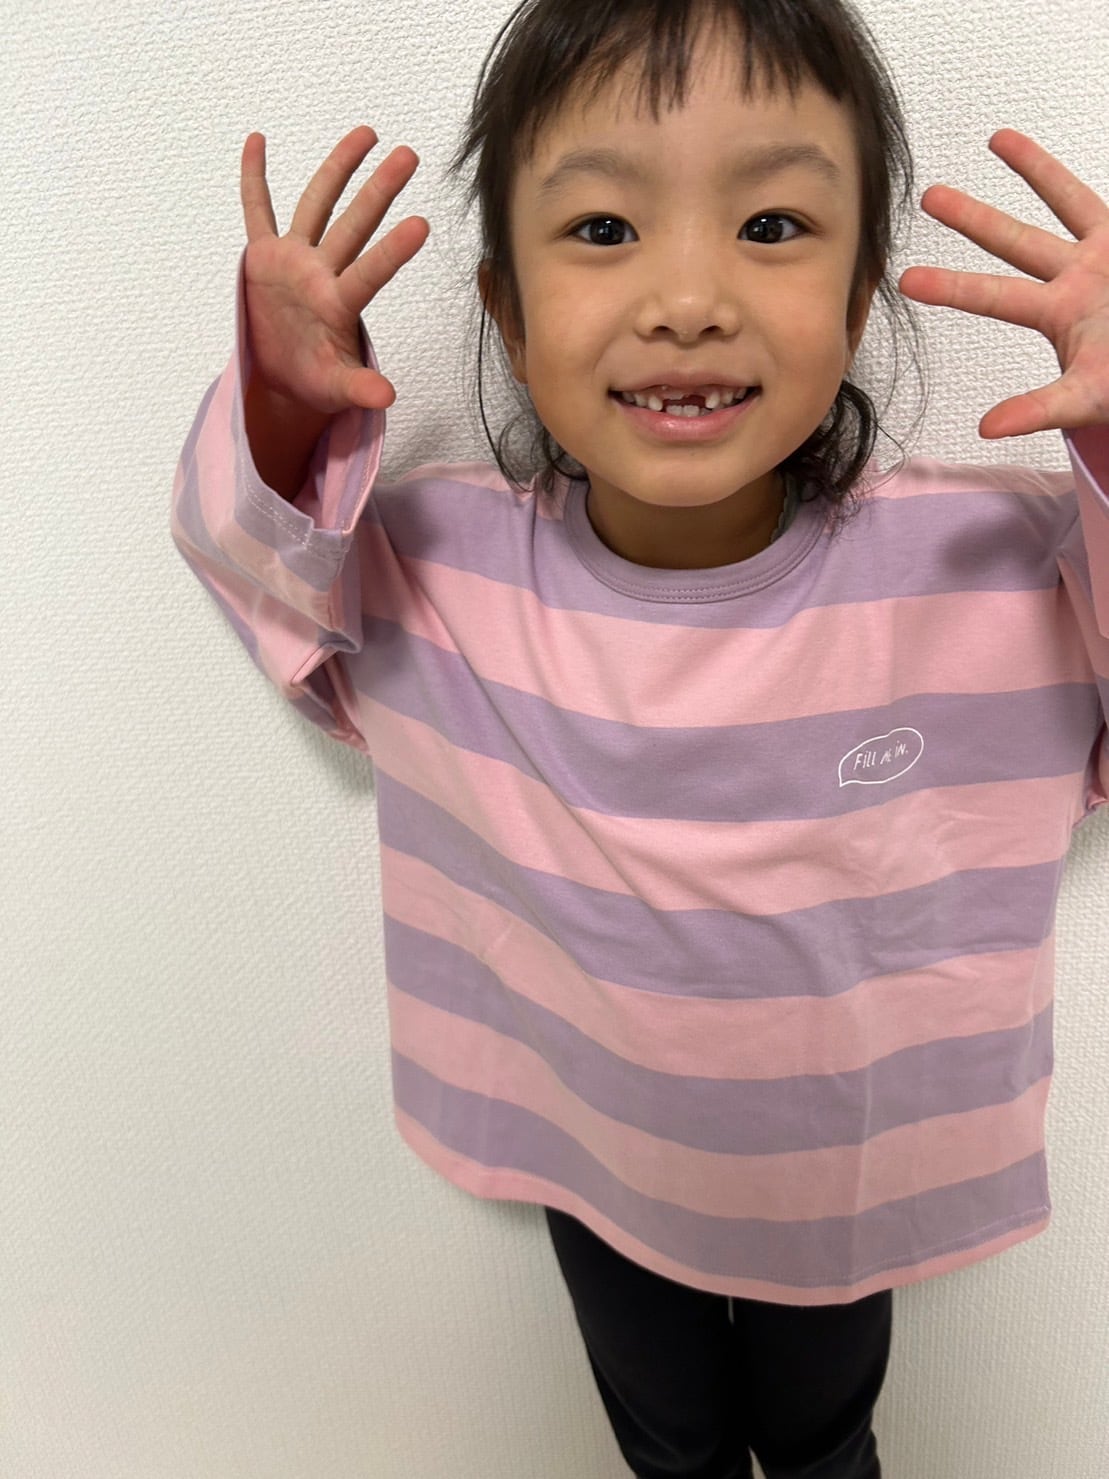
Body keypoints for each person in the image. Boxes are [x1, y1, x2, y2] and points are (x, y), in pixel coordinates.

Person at [170, 0, 1109, 1474]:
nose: (686, 298)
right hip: (591, 1147)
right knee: (668, 1448)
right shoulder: (438, 565)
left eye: (773, 225)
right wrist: (283, 415)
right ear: (505, 309)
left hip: (840, 1166)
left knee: (823, 1446)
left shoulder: (986, 568)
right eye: (603, 228)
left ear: (859, 296)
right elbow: (261, 576)